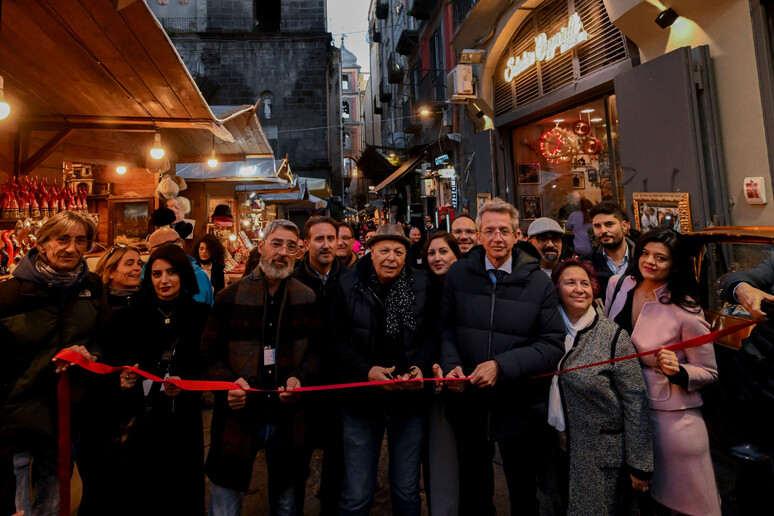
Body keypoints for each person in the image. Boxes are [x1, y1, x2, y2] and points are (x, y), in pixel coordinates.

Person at [439, 198, 565, 515]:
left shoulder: (539, 282)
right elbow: (445, 328)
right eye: (490, 230)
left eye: (504, 231)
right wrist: (453, 365)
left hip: (520, 405)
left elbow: (552, 344)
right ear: (479, 235)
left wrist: (501, 366)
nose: (497, 238)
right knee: (474, 492)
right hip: (470, 404)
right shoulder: (459, 274)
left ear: (516, 235)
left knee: (523, 492)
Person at [202, 219, 319, 516]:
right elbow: (208, 355)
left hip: (287, 415)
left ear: (299, 253)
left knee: (287, 504)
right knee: (225, 503)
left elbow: (317, 352)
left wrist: (299, 379)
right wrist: (229, 383)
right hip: (239, 415)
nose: (282, 252)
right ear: (262, 246)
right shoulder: (230, 297)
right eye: (276, 244)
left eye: (291, 247)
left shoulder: (306, 297)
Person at [604, 227, 721, 515]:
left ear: (676, 265)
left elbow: (708, 370)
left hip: (667, 417)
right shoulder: (618, 285)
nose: (649, 262)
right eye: (645, 253)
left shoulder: (686, 308)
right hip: (618, 404)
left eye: (661, 258)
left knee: (682, 501)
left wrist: (678, 370)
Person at [0, 211, 105, 516]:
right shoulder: (9, 296)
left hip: (66, 415)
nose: (71, 248)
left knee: (56, 504)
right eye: (62, 238)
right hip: (16, 418)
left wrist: (89, 355)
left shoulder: (93, 289)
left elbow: (103, 340)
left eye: (80, 241)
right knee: (17, 505)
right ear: (43, 243)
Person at [330, 224, 434, 516]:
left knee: (407, 489)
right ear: (370, 252)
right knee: (357, 492)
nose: (391, 257)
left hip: (408, 401)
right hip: (361, 402)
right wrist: (366, 371)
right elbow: (335, 339)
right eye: (384, 250)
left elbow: (430, 336)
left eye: (398, 251)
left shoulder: (420, 284)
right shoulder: (349, 284)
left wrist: (419, 368)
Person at [107, 244, 210, 515]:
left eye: (172, 272)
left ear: (184, 275)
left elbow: (209, 363)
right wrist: (122, 378)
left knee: (183, 492)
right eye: (156, 274)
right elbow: (114, 363)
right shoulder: (129, 316)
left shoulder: (201, 316)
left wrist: (188, 380)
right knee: (142, 493)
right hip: (142, 418)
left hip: (183, 419)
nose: (164, 280)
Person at [548, 259, 653, 514]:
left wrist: (640, 464)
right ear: (556, 289)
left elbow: (635, 400)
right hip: (557, 448)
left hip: (602, 456)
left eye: (585, 283)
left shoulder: (614, 336)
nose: (579, 289)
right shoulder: (547, 331)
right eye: (570, 282)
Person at [77, 240, 143, 515]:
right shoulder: (94, 306)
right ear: (110, 271)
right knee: (99, 477)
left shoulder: (147, 303)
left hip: (138, 400)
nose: (137, 268)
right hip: (100, 403)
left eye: (139, 263)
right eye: (129, 263)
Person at [291, 216, 349, 516]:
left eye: (332, 238)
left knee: (337, 461)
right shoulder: (292, 281)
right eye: (319, 239)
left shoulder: (350, 279)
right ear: (306, 244)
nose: (327, 245)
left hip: (340, 384)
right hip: (301, 386)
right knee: (296, 461)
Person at [420, 232, 462, 516]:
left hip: (465, 378)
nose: (437, 258)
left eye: (444, 251)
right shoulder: (422, 288)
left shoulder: (467, 287)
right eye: (432, 253)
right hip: (432, 383)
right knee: (439, 455)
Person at [146, 227, 214, 306]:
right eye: (169, 244)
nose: (178, 246)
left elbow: (195, 310)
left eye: (179, 241)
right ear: (151, 251)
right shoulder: (145, 271)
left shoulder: (196, 274)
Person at [586, 201, 635, 301]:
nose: (603, 230)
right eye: (597, 226)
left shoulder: (643, 259)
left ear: (625, 226)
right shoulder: (587, 264)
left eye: (609, 224)